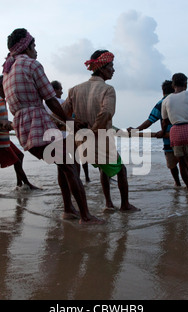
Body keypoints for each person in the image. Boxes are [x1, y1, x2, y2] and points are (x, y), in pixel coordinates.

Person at [2, 28, 103, 225]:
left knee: (64, 164)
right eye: (34, 46)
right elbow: (51, 100)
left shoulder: (7, 70)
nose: (36, 50)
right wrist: (70, 122)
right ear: (27, 47)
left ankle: (68, 210)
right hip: (39, 126)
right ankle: (86, 216)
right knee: (71, 165)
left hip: (23, 129)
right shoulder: (32, 65)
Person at [63, 50, 139, 212]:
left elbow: (59, 113)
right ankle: (124, 204)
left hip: (79, 142)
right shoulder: (108, 89)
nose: (113, 69)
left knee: (103, 169)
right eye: (111, 65)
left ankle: (109, 203)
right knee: (121, 169)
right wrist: (94, 130)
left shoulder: (74, 90)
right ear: (103, 68)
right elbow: (106, 113)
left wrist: (73, 123)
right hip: (99, 139)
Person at [127, 80, 188, 187]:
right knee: (185, 163)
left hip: (169, 140)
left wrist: (136, 130)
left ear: (163, 92)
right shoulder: (182, 102)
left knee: (172, 165)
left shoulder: (161, 103)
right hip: (183, 139)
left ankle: (177, 183)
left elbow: (150, 120)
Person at [0, 75, 39, 190]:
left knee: (20, 156)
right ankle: (27, 185)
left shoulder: (3, 101)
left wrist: (7, 124)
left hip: (4, 138)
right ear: (2, 87)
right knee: (17, 160)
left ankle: (19, 184)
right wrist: (4, 122)